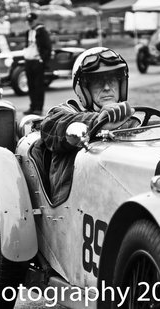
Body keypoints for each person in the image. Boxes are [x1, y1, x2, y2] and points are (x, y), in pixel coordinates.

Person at [33, 47, 135, 205]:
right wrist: (98, 122)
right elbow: (51, 127)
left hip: (121, 198)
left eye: (113, 80)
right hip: (75, 209)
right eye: (98, 82)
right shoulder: (62, 113)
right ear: (83, 89)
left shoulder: (131, 119)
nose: (107, 87)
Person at [23, 12, 52, 116]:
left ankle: (38, 108)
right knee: (30, 85)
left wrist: (43, 60)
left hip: (37, 61)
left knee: (38, 85)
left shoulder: (41, 31)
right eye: (28, 21)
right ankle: (33, 106)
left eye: (31, 21)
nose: (29, 23)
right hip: (29, 61)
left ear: (35, 20)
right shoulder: (28, 32)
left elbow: (47, 47)